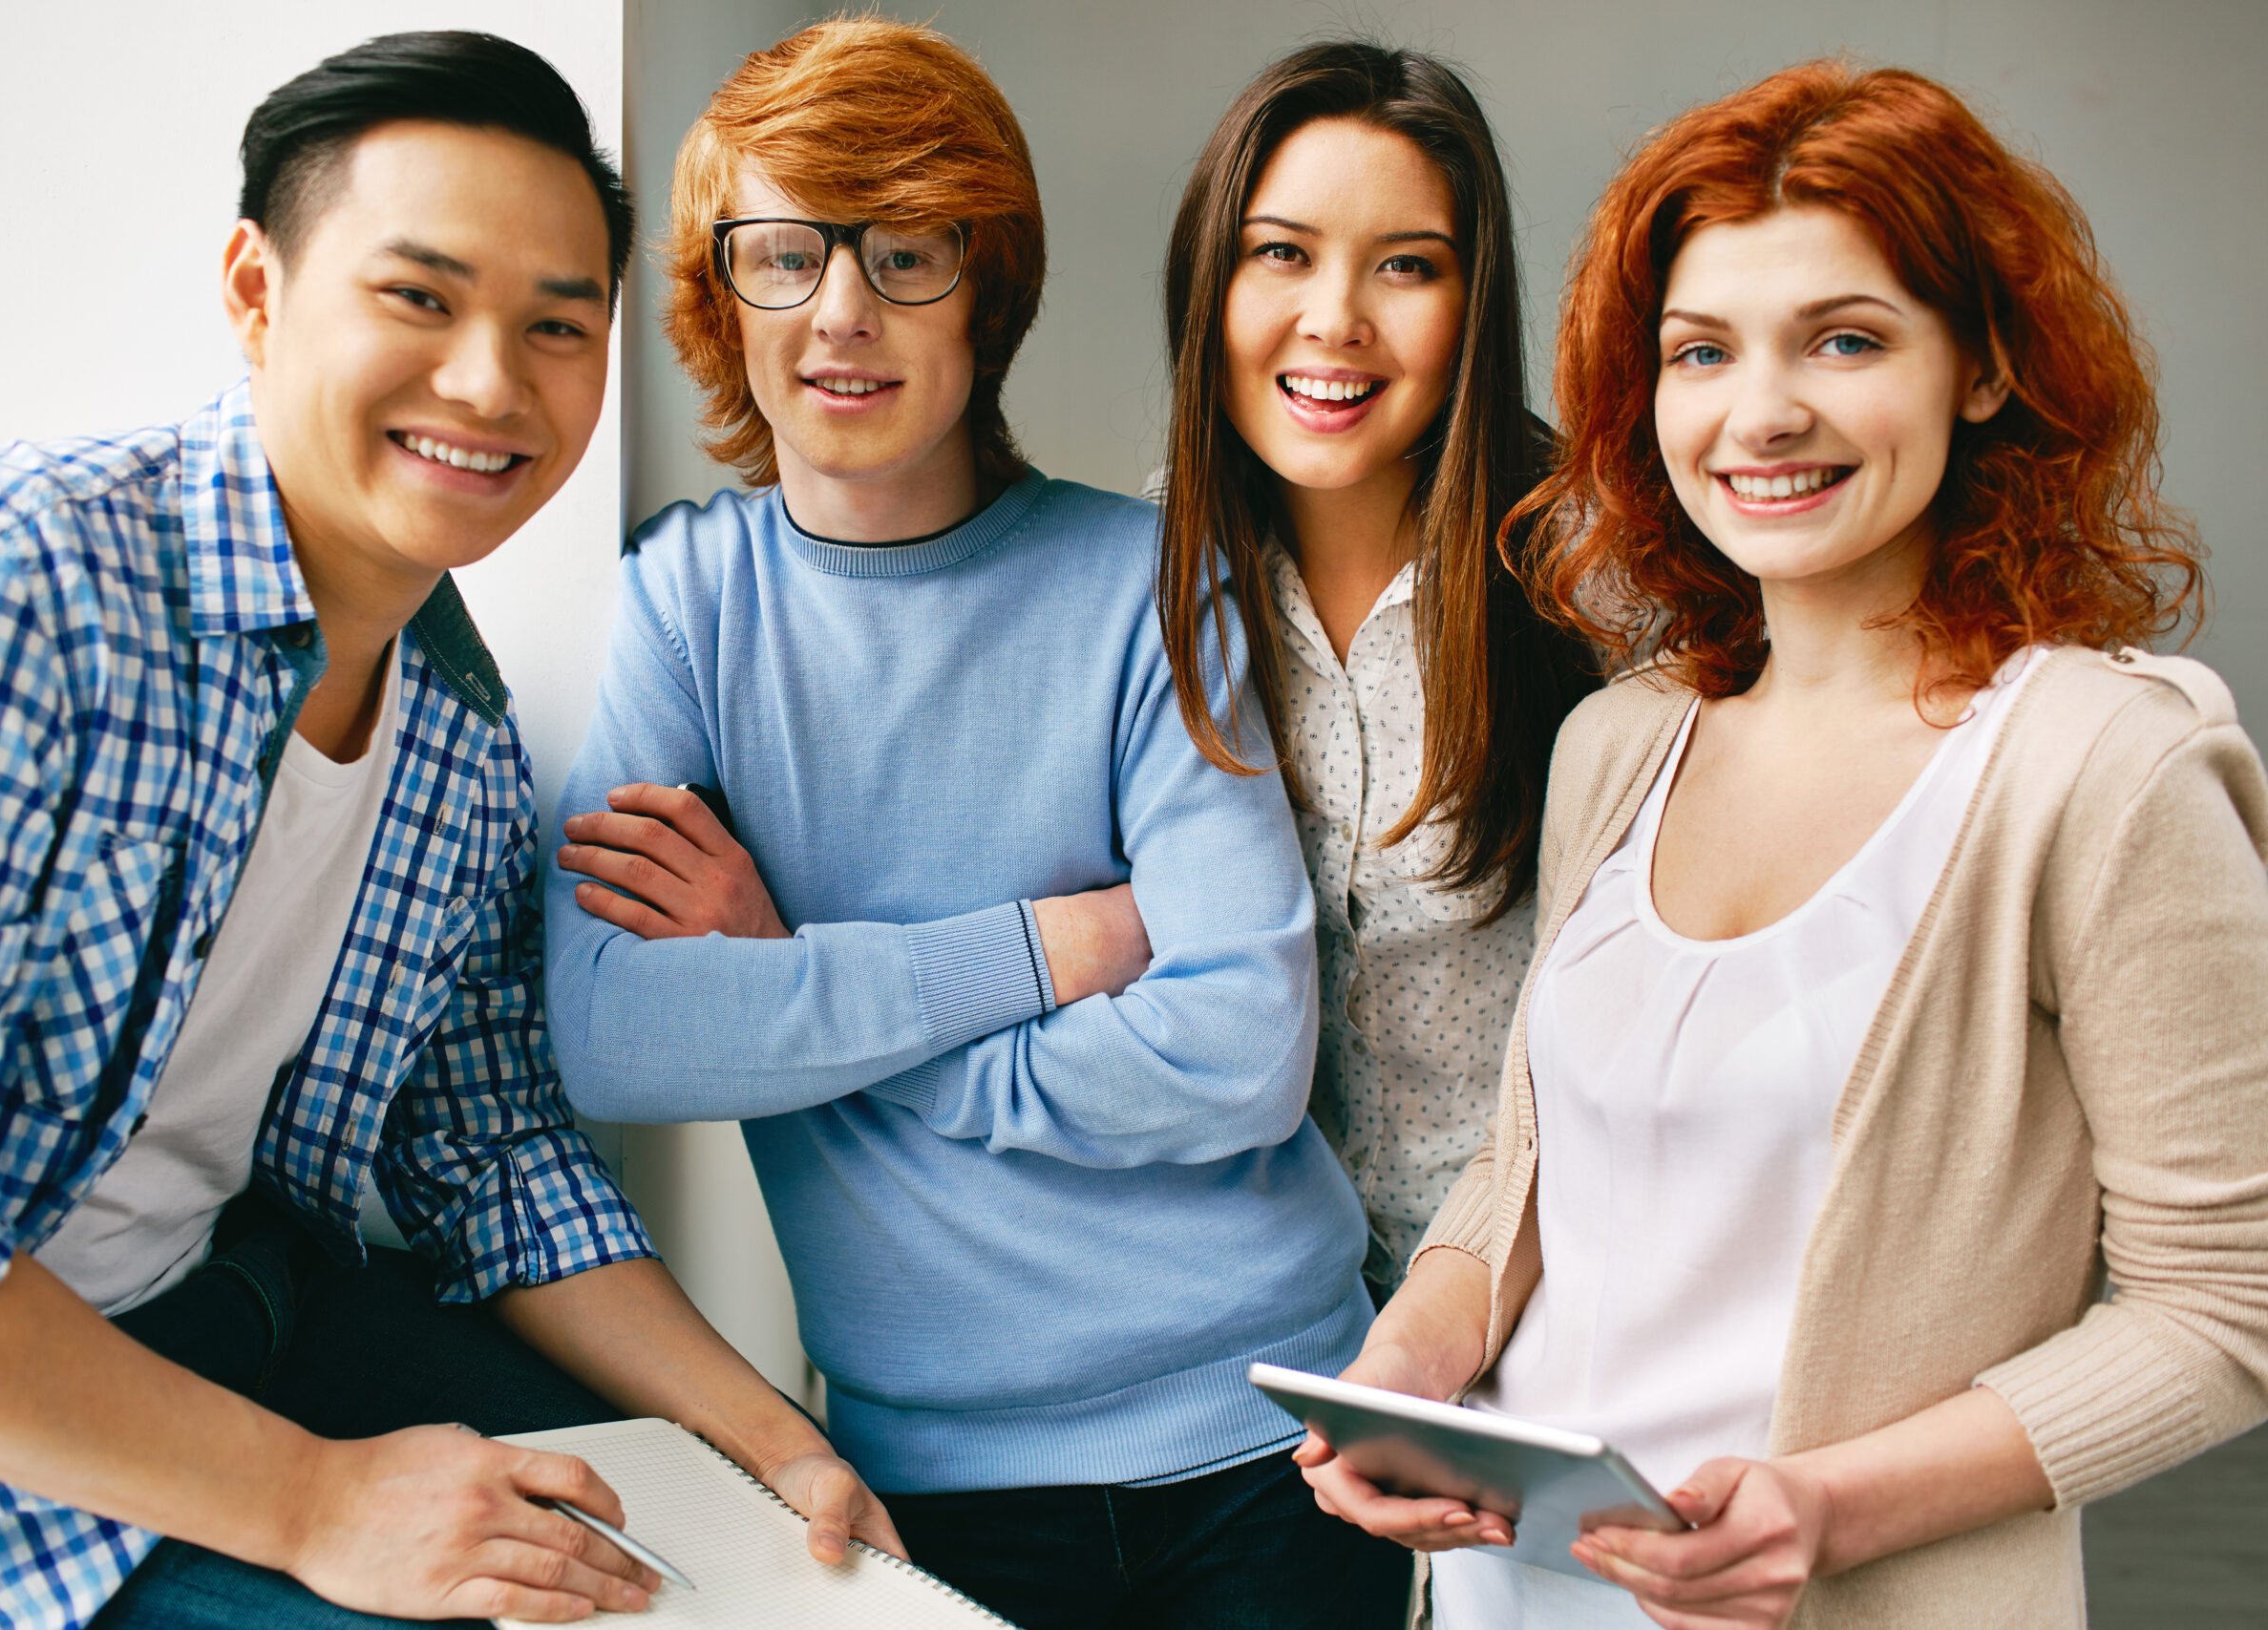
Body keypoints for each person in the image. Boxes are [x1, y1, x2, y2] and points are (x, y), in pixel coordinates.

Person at [0, 32, 890, 1630]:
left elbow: (492, 1155)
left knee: (757, 1580)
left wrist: (761, 1435)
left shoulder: (457, 731)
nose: (488, 382)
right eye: (419, 297)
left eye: (556, 327)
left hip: (240, 1306)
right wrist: (313, 1504)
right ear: (256, 289)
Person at [1298, 60, 2268, 1628]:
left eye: (1847, 339)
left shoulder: (2104, 768)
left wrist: (1825, 1510)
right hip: (1515, 1601)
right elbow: (1534, 1173)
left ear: (1982, 368)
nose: (1764, 411)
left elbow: (2229, 1310)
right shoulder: (1623, 741)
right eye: (1703, 351)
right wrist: (1407, 1368)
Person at [542, 18, 1407, 1629]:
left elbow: (1238, 1048)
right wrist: (1046, 946)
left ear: (988, 289)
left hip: (1264, 1441)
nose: (843, 313)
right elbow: (617, 1038)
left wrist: (794, 976)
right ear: (718, 297)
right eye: (785, 255)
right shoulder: (682, 608)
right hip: (916, 1489)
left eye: (908, 254)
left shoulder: (1147, 586)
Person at [1155, 42, 1599, 1305]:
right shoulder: (1143, 590)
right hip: (1255, 1331)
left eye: (1407, 266)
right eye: (1281, 253)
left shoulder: (1599, 575)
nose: (1335, 318)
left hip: (1559, 1307)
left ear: (1474, 304)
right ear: (1211, 282)